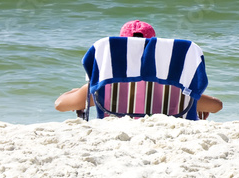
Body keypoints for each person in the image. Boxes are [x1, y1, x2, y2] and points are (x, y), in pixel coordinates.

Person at [55, 20, 224, 119]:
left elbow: (61, 105)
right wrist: (194, 102)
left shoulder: (106, 84)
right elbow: (216, 106)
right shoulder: (175, 84)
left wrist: (78, 91)